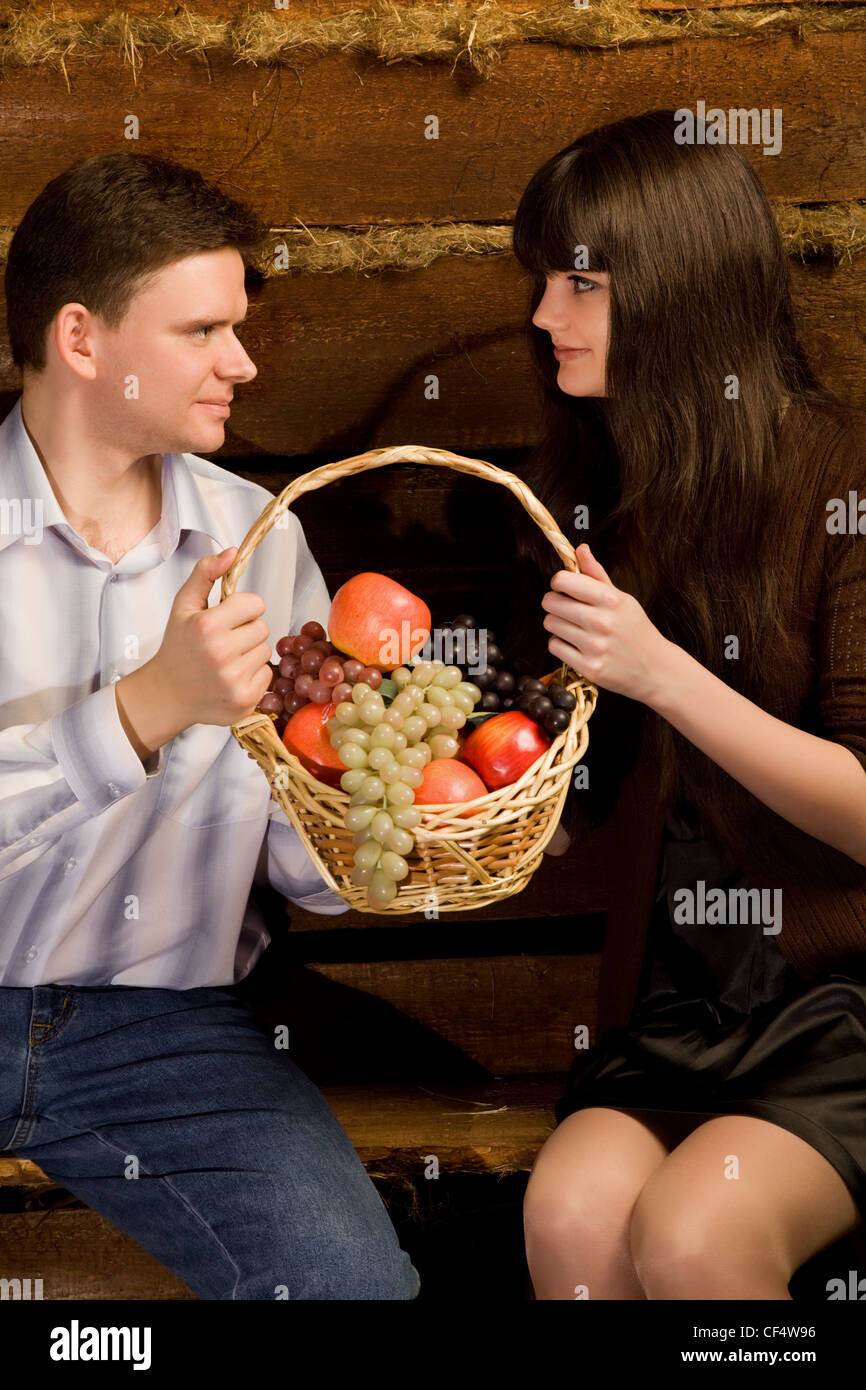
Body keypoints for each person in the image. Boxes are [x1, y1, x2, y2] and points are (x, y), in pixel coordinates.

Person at [0, 150, 420, 1300]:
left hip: (166, 1031)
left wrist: (386, 806)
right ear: (82, 341)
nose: (242, 361)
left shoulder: (259, 536)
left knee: (354, 1293)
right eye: (201, 331)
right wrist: (146, 708)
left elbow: (303, 860)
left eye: (238, 326)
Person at [507, 110, 866, 1300]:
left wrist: (662, 670)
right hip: (684, 1002)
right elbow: (589, 789)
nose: (545, 316)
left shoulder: (842, 484)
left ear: (681, 289)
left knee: (694, 1237)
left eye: (580, 282)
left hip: (841, 1005)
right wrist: (494, 807)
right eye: (543, 280)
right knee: (565, 1215)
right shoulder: (615, 501)